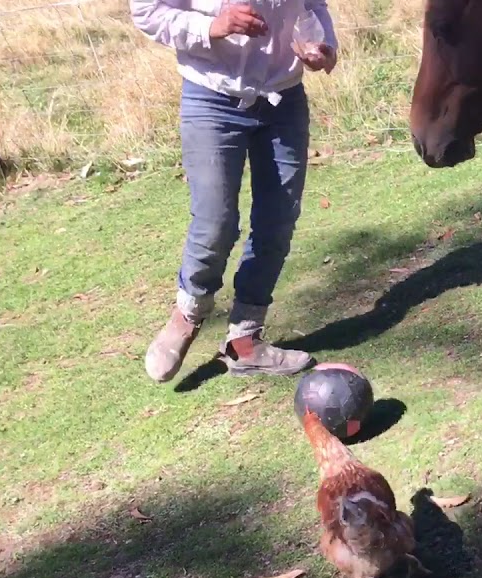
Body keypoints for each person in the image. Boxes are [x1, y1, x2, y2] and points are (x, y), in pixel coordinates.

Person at [130, 0, 338, 382]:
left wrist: (323, 45)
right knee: (216, 221)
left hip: (283, 102)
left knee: (278, 221)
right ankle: (189, 313)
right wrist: (214, 26)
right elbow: (147, 11)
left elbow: (313, 6)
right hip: (211, 97)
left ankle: (245, 339)